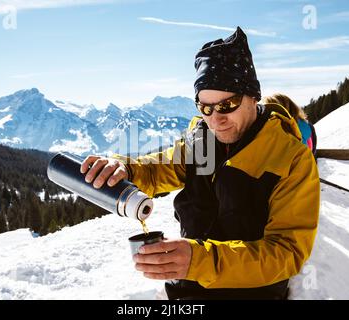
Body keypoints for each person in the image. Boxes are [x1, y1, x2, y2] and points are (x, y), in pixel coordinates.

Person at [80, 27, 320, 299]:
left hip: (252, 293)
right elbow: (161, 168)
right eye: (205, 108)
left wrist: (200, 260)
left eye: (227, 104)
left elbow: (286, 253)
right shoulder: (201, 140)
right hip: (188, 286)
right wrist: (127, 169)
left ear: (253, 96)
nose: (216, 119)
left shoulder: (289, 158)